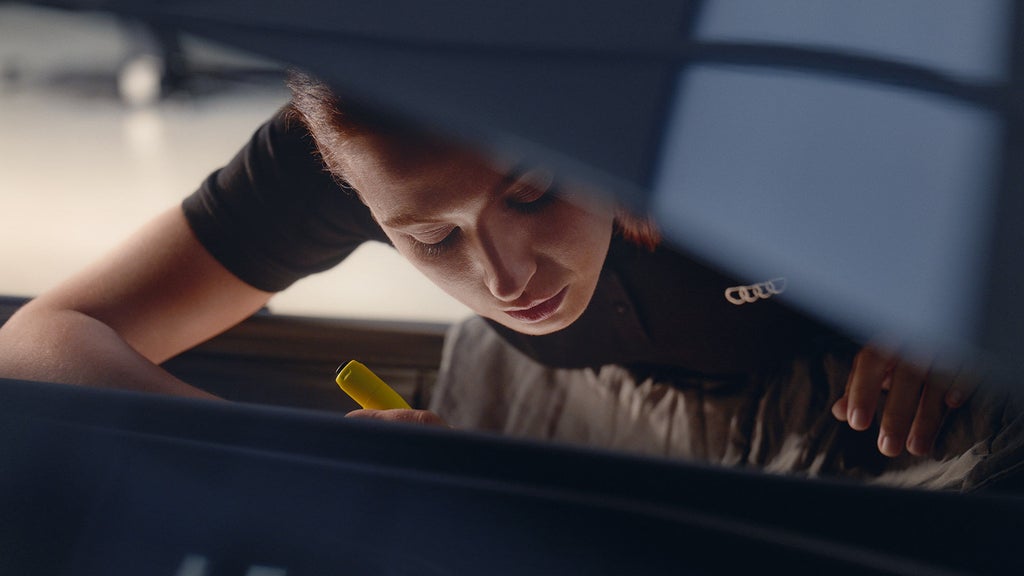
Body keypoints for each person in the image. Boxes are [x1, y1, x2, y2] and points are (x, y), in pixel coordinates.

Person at [0, 70, 1000, 469]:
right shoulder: (330, 152)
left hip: (865, 400)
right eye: (430, 240)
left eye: (532, 192)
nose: (505, 272)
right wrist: (289, 458)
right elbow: (39, 342)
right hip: (600, 404)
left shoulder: (763, 114)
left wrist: (967, 294)